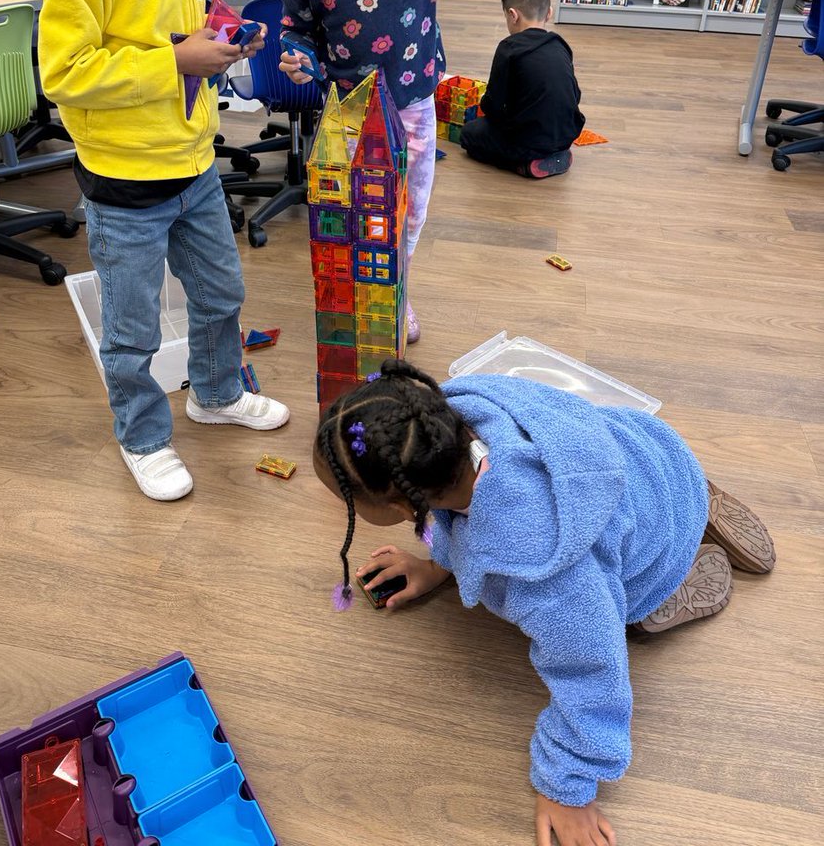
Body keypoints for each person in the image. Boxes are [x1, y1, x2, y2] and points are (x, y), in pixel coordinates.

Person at [313, 359, 775, 846]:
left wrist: (569, 786)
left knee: (629, 622)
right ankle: (698, 494)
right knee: (640, 519)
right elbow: (457, 512)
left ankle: (686, 571)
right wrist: (437, 565)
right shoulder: (456, 412)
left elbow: (593, 671)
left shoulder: (547, 574)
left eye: (347, 501)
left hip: (651, 546)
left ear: (400, 508)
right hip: (648, 454)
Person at [38, 0, 289, 502]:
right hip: (124, 184)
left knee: (221, 291)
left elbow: (164, 30)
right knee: (133, 327)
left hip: (192, 163)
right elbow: (68, 71)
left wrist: (214, 38)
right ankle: (142, 434)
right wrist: (177, 57)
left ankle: (214, 394)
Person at [276, 0, 534, 343]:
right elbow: (297, 28)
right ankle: (358, 296)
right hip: (347, 112)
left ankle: (396, 290)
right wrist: (296, 55)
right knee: (352, 219)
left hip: (413, 106)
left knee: (406, 216)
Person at [460, 0, 584, 179]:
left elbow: (494, 106)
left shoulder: (508, 49)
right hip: (566, 134)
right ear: (549, 13)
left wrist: (485, 111)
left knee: (469, 134)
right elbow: (575, 95)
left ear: (513, 15)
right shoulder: (559, 44)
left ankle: (524, 164)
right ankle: (555, 155)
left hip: (527, 140)